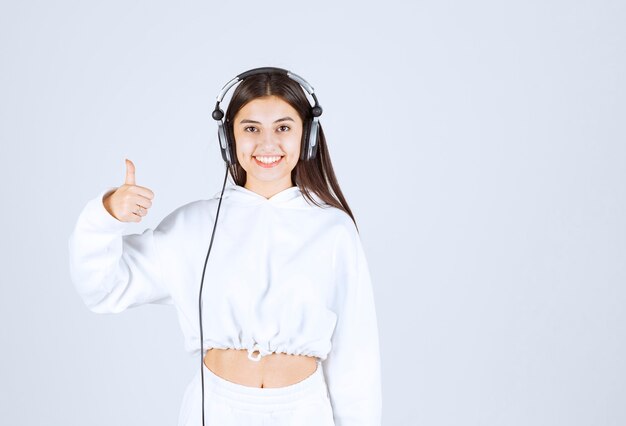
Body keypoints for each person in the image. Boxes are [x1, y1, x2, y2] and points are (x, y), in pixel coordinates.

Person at [67, 68, 381, 426]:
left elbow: (356, 359)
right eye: (251, 129)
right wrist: (105, 216)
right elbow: (103, 288)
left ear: (306, 136)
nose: (267, 144)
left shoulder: (334, 230)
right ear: (228, 138)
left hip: (304, 411)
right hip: (216, 410)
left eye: (283, 128)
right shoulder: (193, 226)